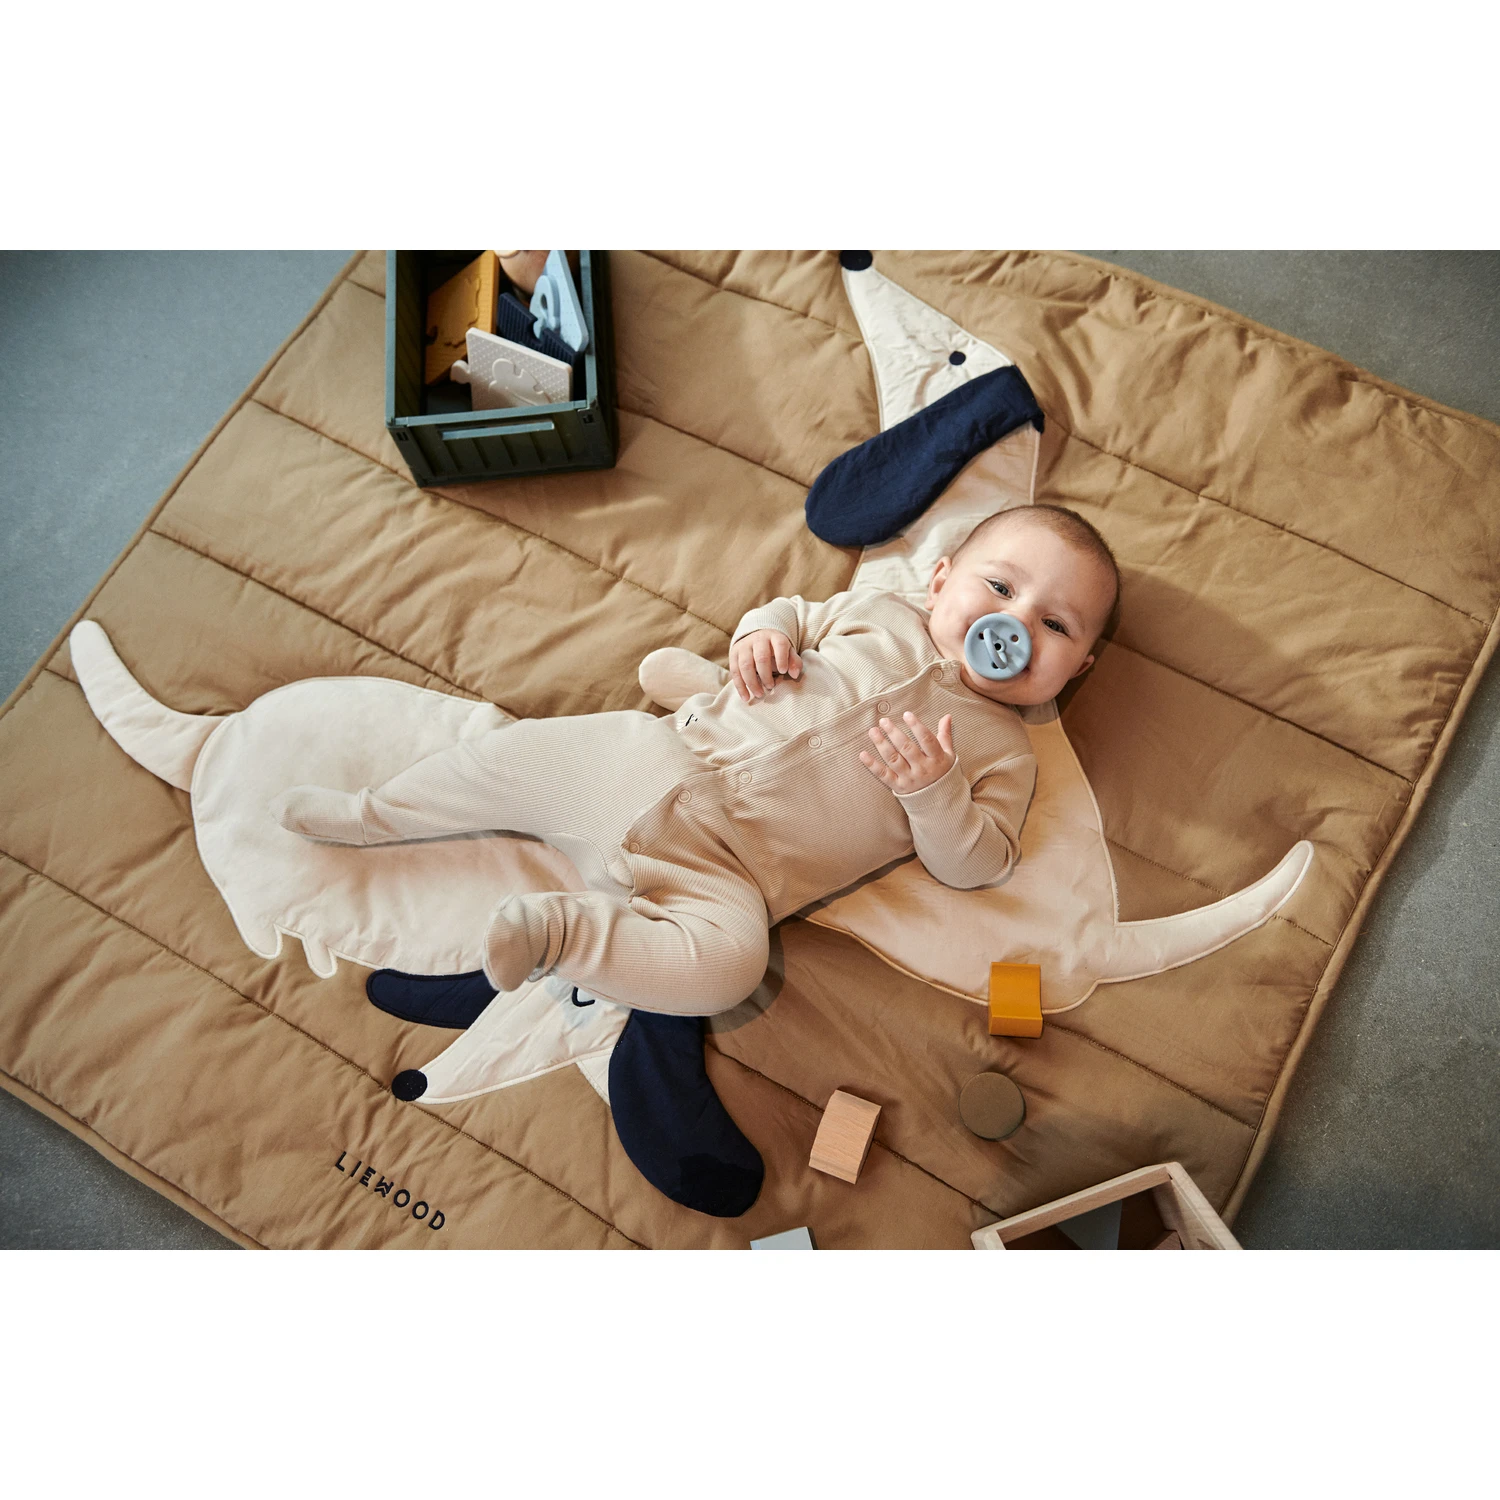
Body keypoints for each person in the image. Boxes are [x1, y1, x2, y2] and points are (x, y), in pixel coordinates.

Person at [270, 504, 1120, 1016]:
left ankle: (559, 931)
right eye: (999, 588)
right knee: (507, 760)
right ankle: (376, 813)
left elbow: (978, 865)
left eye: (1055, 626)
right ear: (939, 581)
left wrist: (935, 795)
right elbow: (788, 612)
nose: (1014, 625)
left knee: (729, 970)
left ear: (1079, 668)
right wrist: (761, 639)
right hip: (658, 758)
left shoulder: (1003, 752)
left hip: (728, 875)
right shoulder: (876, 611)